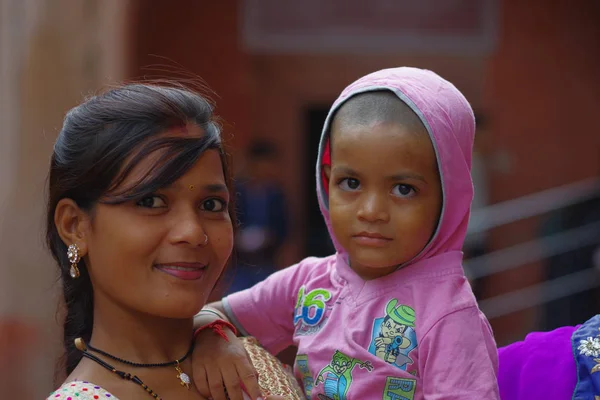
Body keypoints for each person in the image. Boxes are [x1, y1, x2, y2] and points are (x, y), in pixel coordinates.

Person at [191, 67, 500, 400]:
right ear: (327, 180)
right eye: (351, 183)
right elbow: (215, 313)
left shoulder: (448, 316)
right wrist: (216, 339)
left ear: (448, 196)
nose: (370, 211)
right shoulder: (309, 283)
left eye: (403, 189)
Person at [44, 83, 285, 400]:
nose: (193, 232)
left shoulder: (252, 368)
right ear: (75, 226)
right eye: (150, 201)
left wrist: (212, 328)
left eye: (211, 205)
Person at [225, 140, 289, 294]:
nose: (267, 169)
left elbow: (285, 227)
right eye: (263, 163)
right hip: (240, 262)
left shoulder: (276, 194)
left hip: (266, 260)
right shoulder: (236, 191)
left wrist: (269, 237)